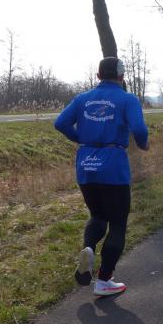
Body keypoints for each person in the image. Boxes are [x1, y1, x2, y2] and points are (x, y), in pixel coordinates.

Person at [54, 56, 149, 296]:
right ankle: (104, 280)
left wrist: (82, 139)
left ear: (98, 76)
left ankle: (88, 248)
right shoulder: (127, 99)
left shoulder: (82, 99)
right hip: (113, 165)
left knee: (97, 215)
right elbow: (139, 129)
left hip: (86, 164)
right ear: (122, 76)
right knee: (117, 222)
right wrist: (143, 144)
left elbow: (60, 123)